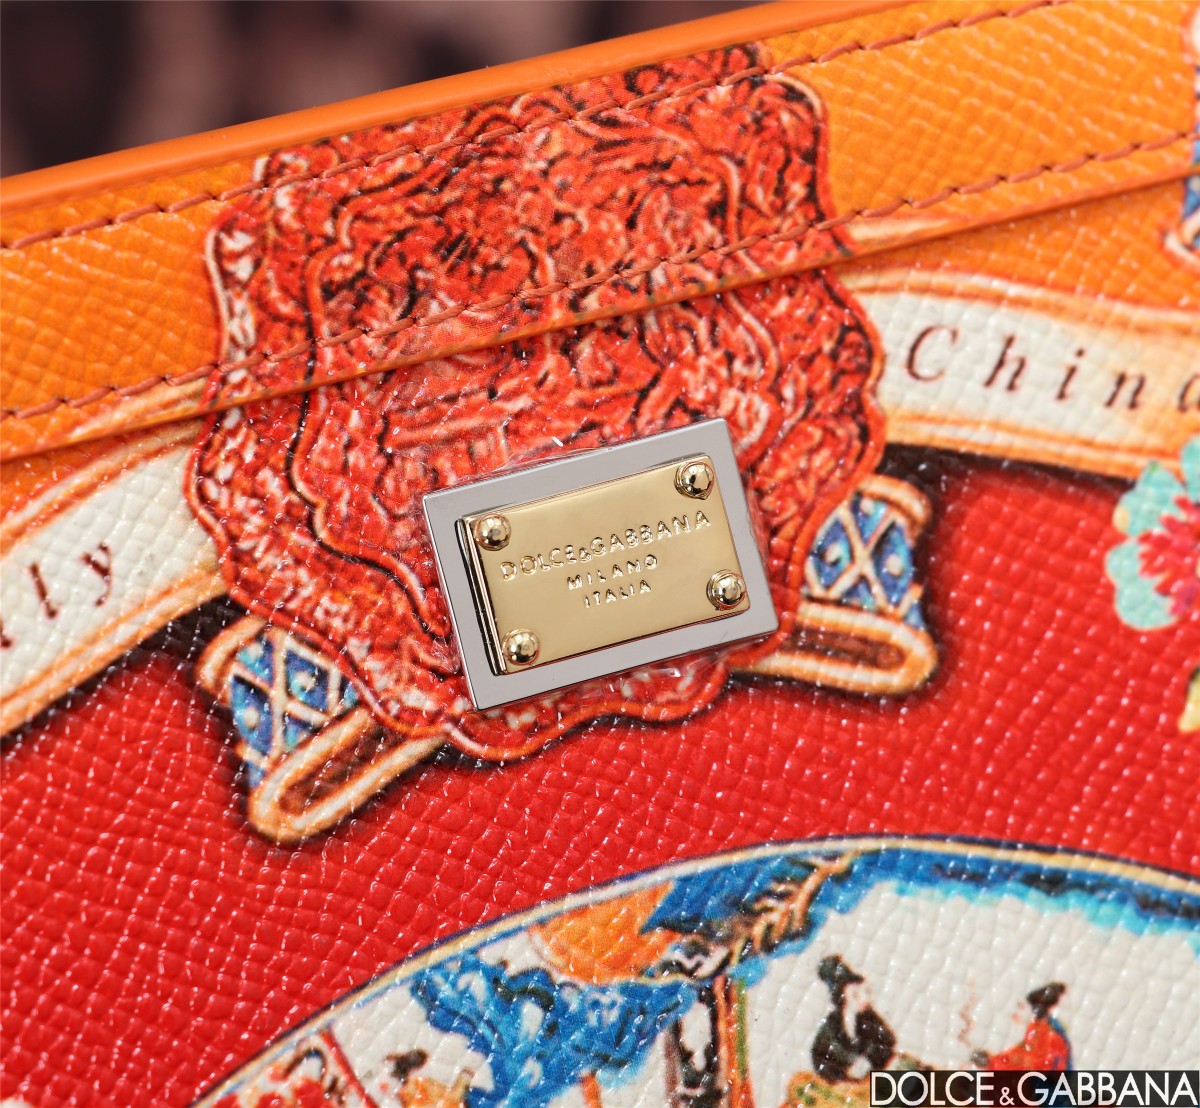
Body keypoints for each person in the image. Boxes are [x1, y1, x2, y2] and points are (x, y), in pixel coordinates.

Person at [811, 955, 897, 1082]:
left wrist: (870, 1061)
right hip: (845, 1086)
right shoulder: (831, 1026)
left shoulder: (869, 1019)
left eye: (865, 992)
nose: (864, 999)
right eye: (855, 995)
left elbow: (888, 1042)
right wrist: (843, 1074)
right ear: (841, 996)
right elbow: (820, 1059)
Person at [974, 983, 1071, 1070]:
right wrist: (991, 1061)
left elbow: (1028, 1063)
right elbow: (1017, 1055)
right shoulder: (1037, 1030)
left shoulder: (1043, 1032)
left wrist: (992, 1062)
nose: (1014, 1012)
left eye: (1021, 1007)